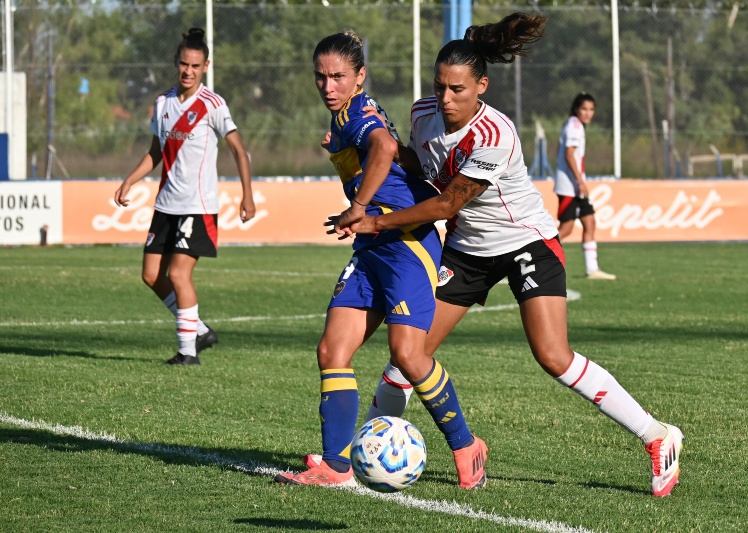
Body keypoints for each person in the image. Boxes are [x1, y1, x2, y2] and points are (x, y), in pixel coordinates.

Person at [331, 13, 683, 497]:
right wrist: (372, 151)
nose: (446, 98)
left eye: (457, 89)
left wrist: (375, 219)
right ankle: (361, 455)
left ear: (481, 86)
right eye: (440, 86)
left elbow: (448, 200)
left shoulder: (495, 135)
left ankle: (657, 436)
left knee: (553, 356)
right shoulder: (422, 112)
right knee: (410, 353)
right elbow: (420, 167)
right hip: (467, 250)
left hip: (524, 244)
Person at [274, 30, 487, 490]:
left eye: (338, 77)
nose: (328, 86)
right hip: (372, 246)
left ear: (359, 77)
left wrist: (359, 206)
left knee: (409, 356)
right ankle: (335, 465)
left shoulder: (357, 113)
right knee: (333, 351)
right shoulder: (346, 116)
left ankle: (466, 444)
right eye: (321, 77)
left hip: (405, 243)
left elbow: (385, 148)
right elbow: (397, 152)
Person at [114, 28, 255, 365]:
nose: (188, 71)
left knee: (178, 274)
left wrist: (247, 196)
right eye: (183, 64)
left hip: (198, 206)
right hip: (165, 205)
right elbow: (155, 152)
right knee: (151, 275)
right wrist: (130, 180)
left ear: (205, 66)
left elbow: (238, 150)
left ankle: (187, 352)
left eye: (195, 65)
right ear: (176, 63)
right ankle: (200, 330)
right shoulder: (162, 103)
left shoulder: (213, 105)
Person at [554, 92, 616, 280]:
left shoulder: (576, 125)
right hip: (570, 188)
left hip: (575, 187)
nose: (588, 113)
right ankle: (526, 256)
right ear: (576, 109)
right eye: (584, 109)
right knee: (566, 229)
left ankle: (592, 269)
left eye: (591, 109)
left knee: (590, 222)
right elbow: (569, 154)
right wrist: (580, 182)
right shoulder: (574, 125)